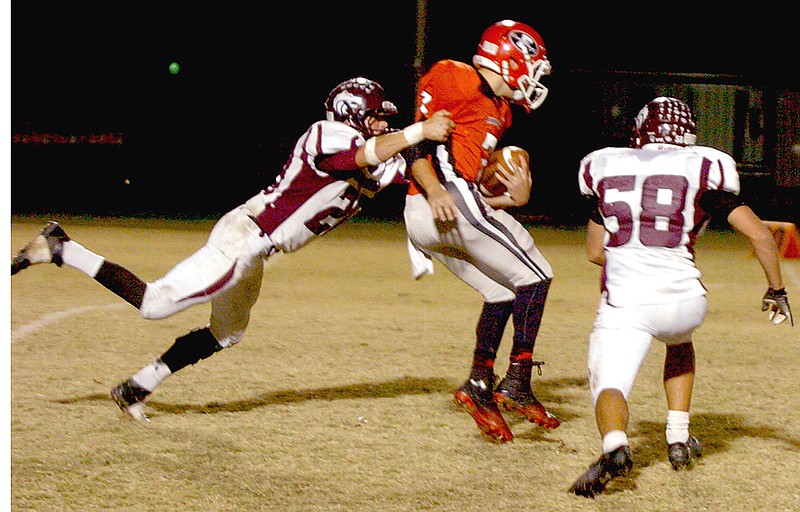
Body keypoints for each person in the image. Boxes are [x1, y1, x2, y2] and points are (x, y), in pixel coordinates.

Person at [11, 77, 455, 422]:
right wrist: (418, 130)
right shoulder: (328, 135)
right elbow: (358, 158)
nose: (383, 122)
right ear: (352, 113)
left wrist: (481, 173)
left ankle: (135, 388)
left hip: (259, 249)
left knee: (226, 333)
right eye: (377, 116)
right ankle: (61, 248)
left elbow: (415, 173)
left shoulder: (378, 148)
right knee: (153, 304)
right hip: (246, 236)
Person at [569, 96, 794, 497]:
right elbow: (761, 235)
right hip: (686, 300)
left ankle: (615, 447)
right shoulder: (702, 167)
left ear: (640, 130)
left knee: (610, 383)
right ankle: (678, 437)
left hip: (628, 302)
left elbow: (593, 252)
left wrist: (631, 253)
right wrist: (776, 290)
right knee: (679, 341)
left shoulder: (603, 166)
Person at [403, 19, 559, 444]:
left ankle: (478, 383)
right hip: (438, 198)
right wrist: (435, 190)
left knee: (503, 292)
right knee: (536, 275)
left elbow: (471, 179)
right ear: (510, 60)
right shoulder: (456, 76)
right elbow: (416, 146)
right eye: (533, 67)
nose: (534, 79)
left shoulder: (501, 110)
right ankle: (518, 381)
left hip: (448, 207)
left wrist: (512, 201)